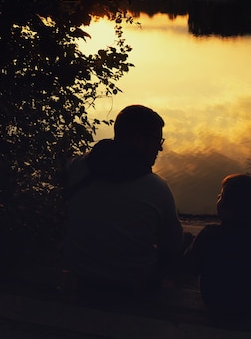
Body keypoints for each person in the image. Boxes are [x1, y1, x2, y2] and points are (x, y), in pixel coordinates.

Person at [63, 104, 187, 296]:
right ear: (138, 140)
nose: (161, 148)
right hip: (132, 284)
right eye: (157, 140)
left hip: (82, 274)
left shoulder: (77, 167)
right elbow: (172, 244)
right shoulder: (157, 188)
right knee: (182, 241)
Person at [183, 173, 251, 319]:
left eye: (221, 196)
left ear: (225, 209)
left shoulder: (210, 235)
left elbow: (191, 266)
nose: (217, 197)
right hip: (247, 303)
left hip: (212, 299)